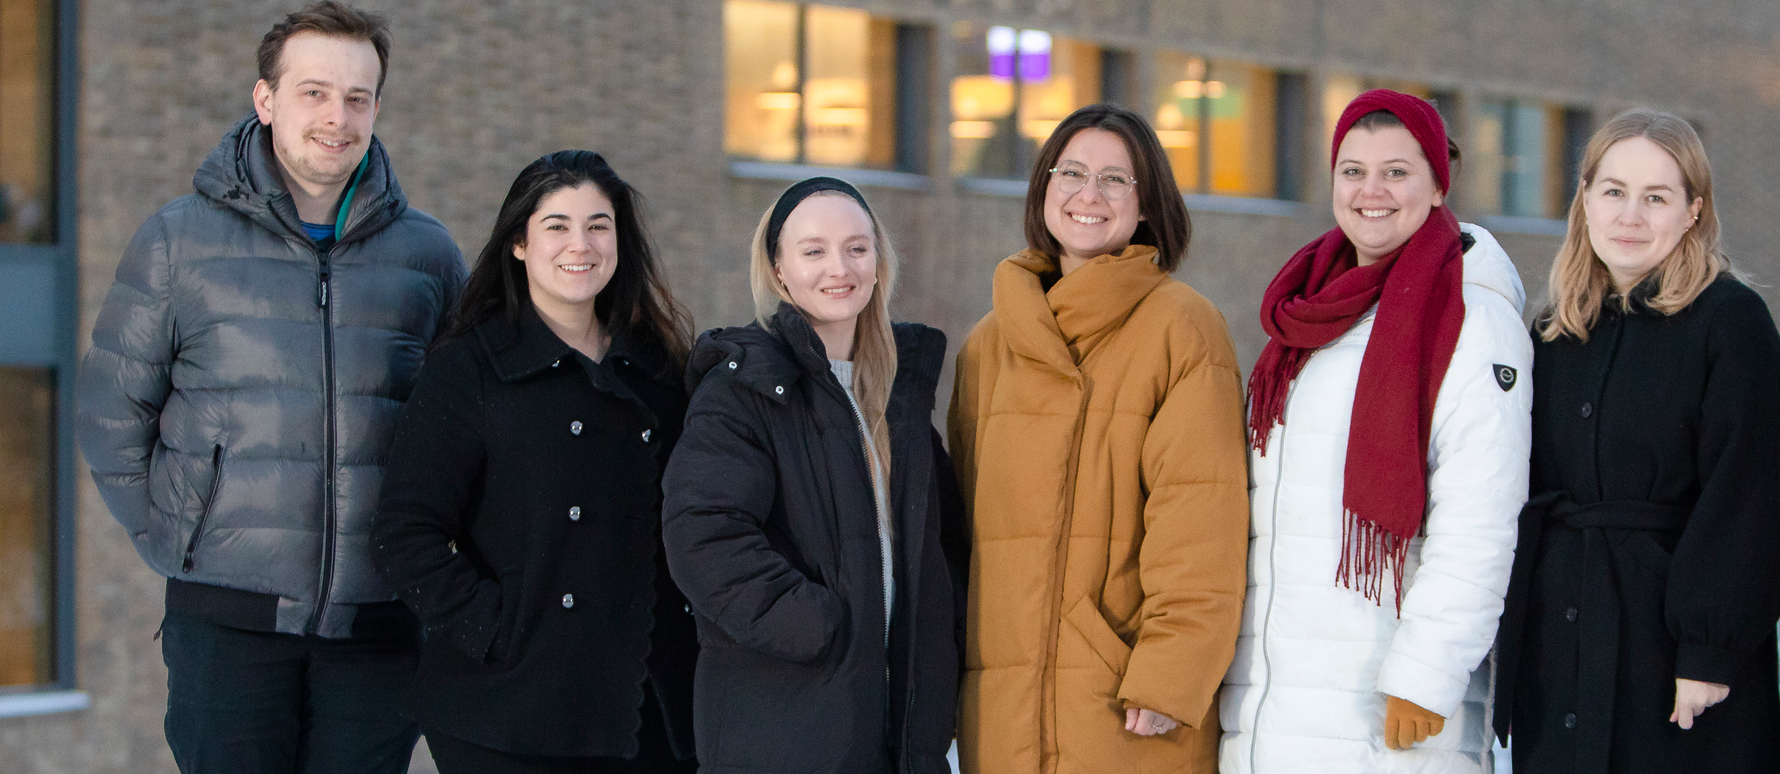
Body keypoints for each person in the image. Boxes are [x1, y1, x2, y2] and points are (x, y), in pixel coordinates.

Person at [75, 0, 464, 773]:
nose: (337, 116)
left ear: (377, 108)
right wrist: (176, 534)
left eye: (358, 97)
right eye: (314, 92)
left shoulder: (428, 255)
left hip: (379, 624)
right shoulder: (177, 242)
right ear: (266, 100)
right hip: (227, 621)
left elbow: (464, 426)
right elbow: (109, 411)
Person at [1216, 89, 1532, 774]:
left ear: (1438, 184)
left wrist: (1427, 672)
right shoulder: (1305, 314)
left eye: (1397, 171)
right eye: (1353, 170)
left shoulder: (1471, 316)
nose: (1372, 191)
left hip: (1387, 710)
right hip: (1274, 703)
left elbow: (1482, 512)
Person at [1492, 108, 1780, 774]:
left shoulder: (1731, 322)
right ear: (1585, 200)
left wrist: (1708, 650)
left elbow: (1753, 498)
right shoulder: (1554, 330)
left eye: (1655, 197)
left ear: (1693, 210)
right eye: (1613, 191)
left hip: (1672, 657)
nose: (1630, 215)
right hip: (1561, 649)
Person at [370, 151, 699, 773]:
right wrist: (494, 627)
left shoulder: (660, 367)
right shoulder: (470, 369)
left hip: (646, 703)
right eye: (557, 225)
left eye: (599, 225)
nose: (582, 243)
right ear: (519, 243)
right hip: (508, 705)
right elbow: (403, 532)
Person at [950, 104, 1249, 774]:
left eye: (1117, 180)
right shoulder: (987, 345)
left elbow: (1203, 516)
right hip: (1000, 704)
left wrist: (1172, 671)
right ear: (1044, 187)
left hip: (1123, 699)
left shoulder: (1183, 328)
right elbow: (963, 538)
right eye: (1073, 173)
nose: (1090, 195)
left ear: (1146, 206)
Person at [661, 178, 962, 774]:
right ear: (778, 269)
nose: (839, 267)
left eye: (857, 247)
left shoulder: (898, 398)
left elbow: (946, 552)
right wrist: (823, 629)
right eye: (814, 250)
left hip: (899, 731)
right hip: (785, 726)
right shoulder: (743, 390)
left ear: (879, 262)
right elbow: (702, 537)